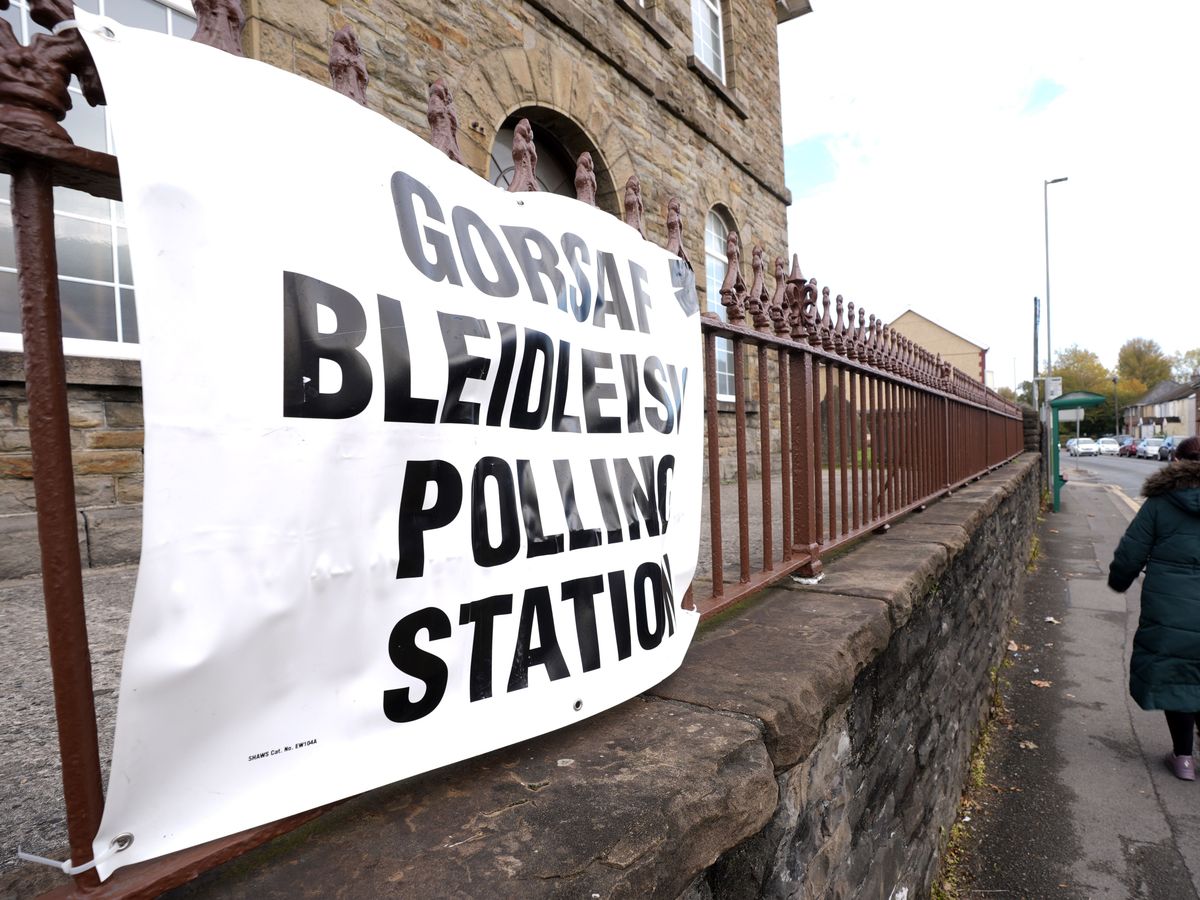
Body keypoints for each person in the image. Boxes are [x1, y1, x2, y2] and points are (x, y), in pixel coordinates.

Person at [1109, 436, 1200, 780]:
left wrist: (1119, 581)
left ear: (1176, 462)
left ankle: (1183, 759)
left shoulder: (1160, 504)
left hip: (1169, 608)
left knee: (1179, 677)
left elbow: (1131, 553)